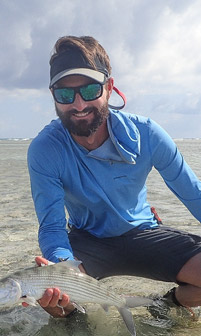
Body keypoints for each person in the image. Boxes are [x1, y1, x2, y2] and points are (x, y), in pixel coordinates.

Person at [26, 35, 201, 318]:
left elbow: (193, 193)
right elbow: (52, 227)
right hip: (88, 240)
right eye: (66, 94)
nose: (79, 105)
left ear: (109, 88)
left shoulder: (148, 134)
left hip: (144, 232)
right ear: (53, 96)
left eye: (91, 89)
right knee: (56, 302)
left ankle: (167, 305)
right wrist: (62, 267)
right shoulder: (45, 149)